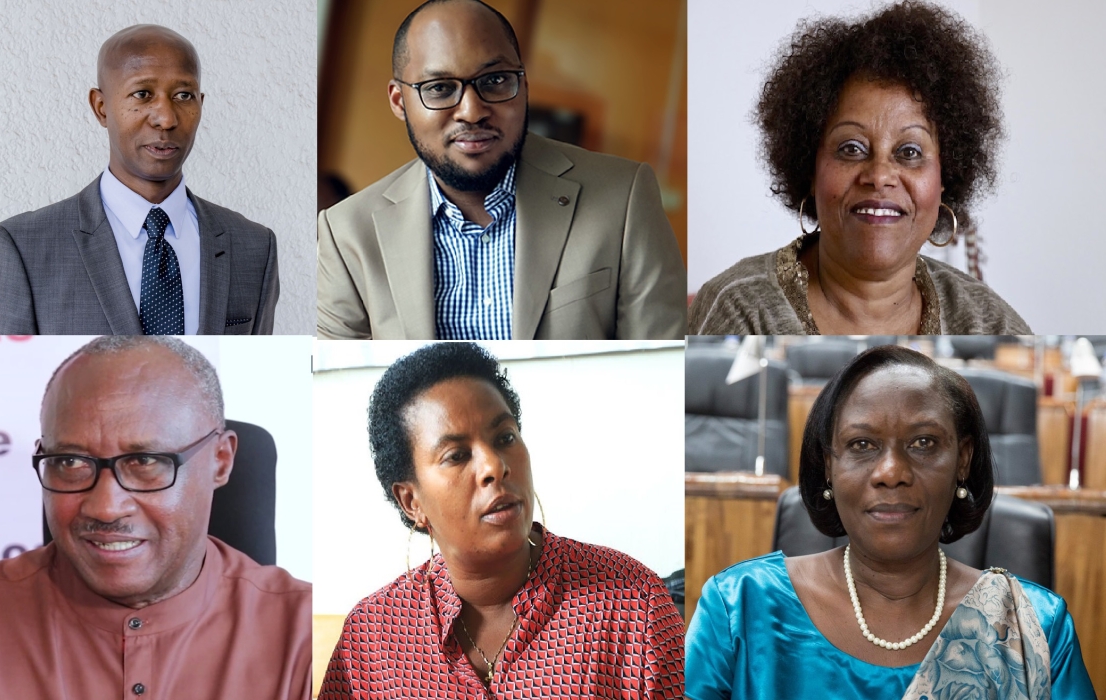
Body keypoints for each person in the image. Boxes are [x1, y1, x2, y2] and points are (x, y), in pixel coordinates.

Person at [0, 337, 311, 699]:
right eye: (69, 461)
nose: (105, 507)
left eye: (145, 461)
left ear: (220, 461)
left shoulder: (306, 642)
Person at [685, 346, 1094, 699]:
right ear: (829, 466)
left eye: (923, 443)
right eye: (862, 445)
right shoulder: (738, 606)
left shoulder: (1035, 625)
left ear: (963, 461)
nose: (891, 471)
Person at [319, 343, 684, 698]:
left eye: (505, 437)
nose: (494, 466)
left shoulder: (634, 603)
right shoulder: (369, 641)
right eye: (457, 455)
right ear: (412, 501)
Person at [317, 0, 686, 341]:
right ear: (400, 102)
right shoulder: (346, 233)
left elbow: (660, 367)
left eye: (494, 81)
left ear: (523, 86)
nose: (471, 111)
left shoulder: (624, 196)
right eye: (440, 87)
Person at [688, 2, 1030, 335]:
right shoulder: (737, 308)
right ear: (810, 168)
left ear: (946, 177)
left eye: (909, 152)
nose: (879, 176)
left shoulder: (991, 324)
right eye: (851, 149)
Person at [0, 25, 279, 335]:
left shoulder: (254, 245)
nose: (166, 118)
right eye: (142, 94)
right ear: (100, 107)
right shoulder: (24, 247)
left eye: (184, 95)